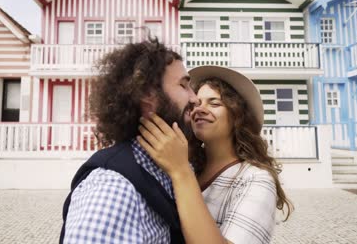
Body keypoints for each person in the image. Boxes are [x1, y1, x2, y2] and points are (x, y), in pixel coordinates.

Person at [59, 39, 198, 244]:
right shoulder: (112, 189)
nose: (195, 99)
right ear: (148, 95)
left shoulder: (168, 167)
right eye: (184, 86)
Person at [138, 65, 293, 244]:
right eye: (196, 103)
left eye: (214, 103)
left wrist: (180, 172)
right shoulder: (189, 166)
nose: (199, 109)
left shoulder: (254, 179)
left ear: (237, 116)